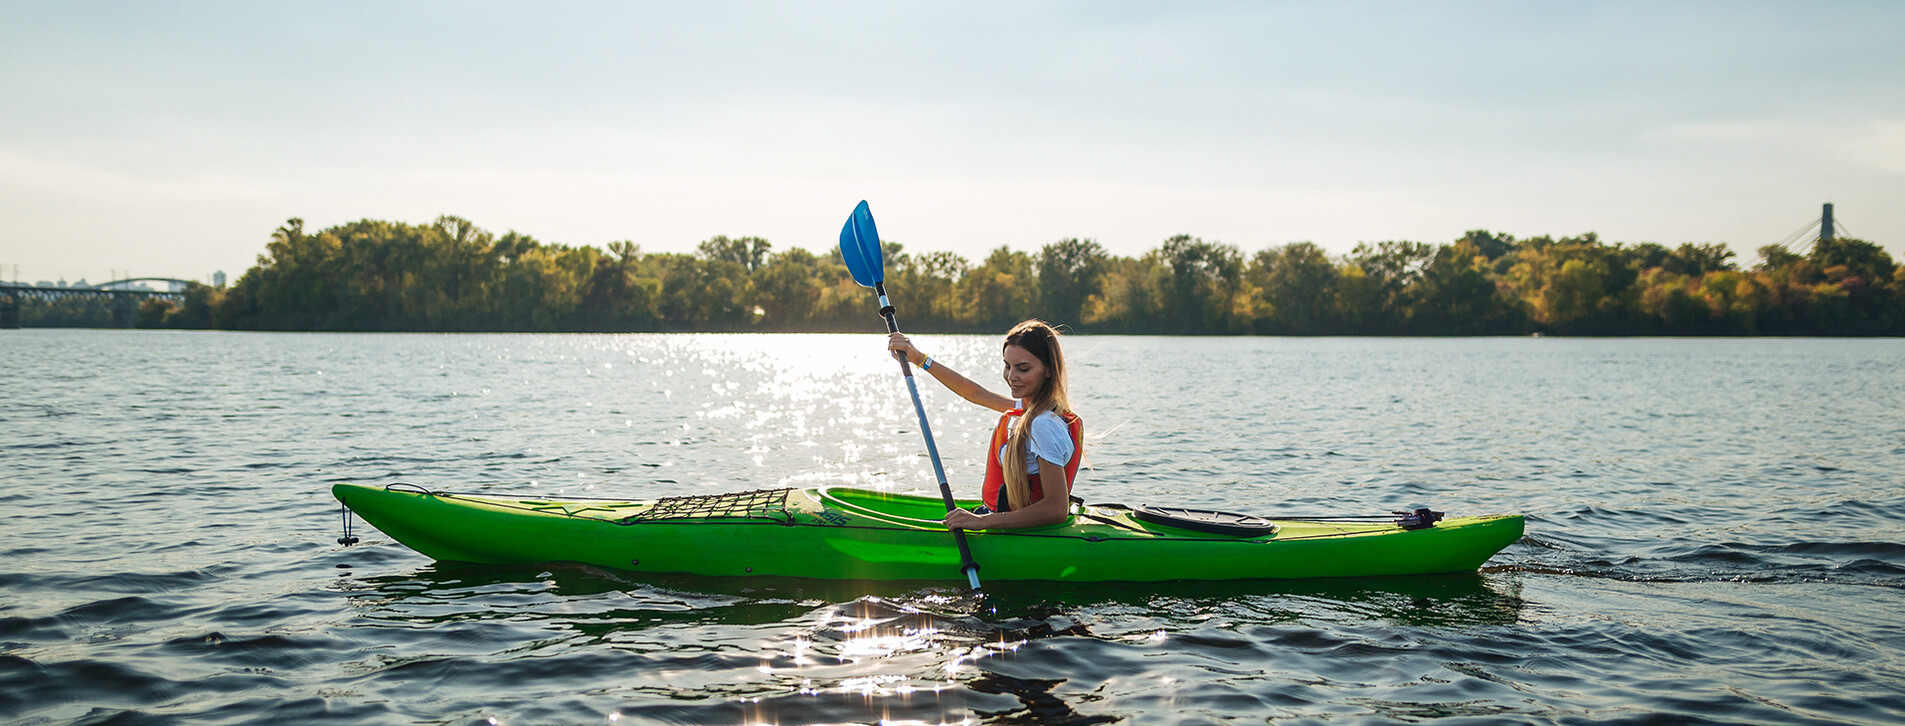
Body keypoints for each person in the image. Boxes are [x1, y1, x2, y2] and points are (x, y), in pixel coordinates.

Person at [887, 319, 1083, 530]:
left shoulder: (1044, 424)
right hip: (998, 518)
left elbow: (1056, 509)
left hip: (1015, 531)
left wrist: (982, 522)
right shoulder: (1031, 409)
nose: (1012, 377)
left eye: (1023, 369)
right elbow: (975, 393)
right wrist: (919, 358)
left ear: (1048, 370)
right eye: (1008, 366)